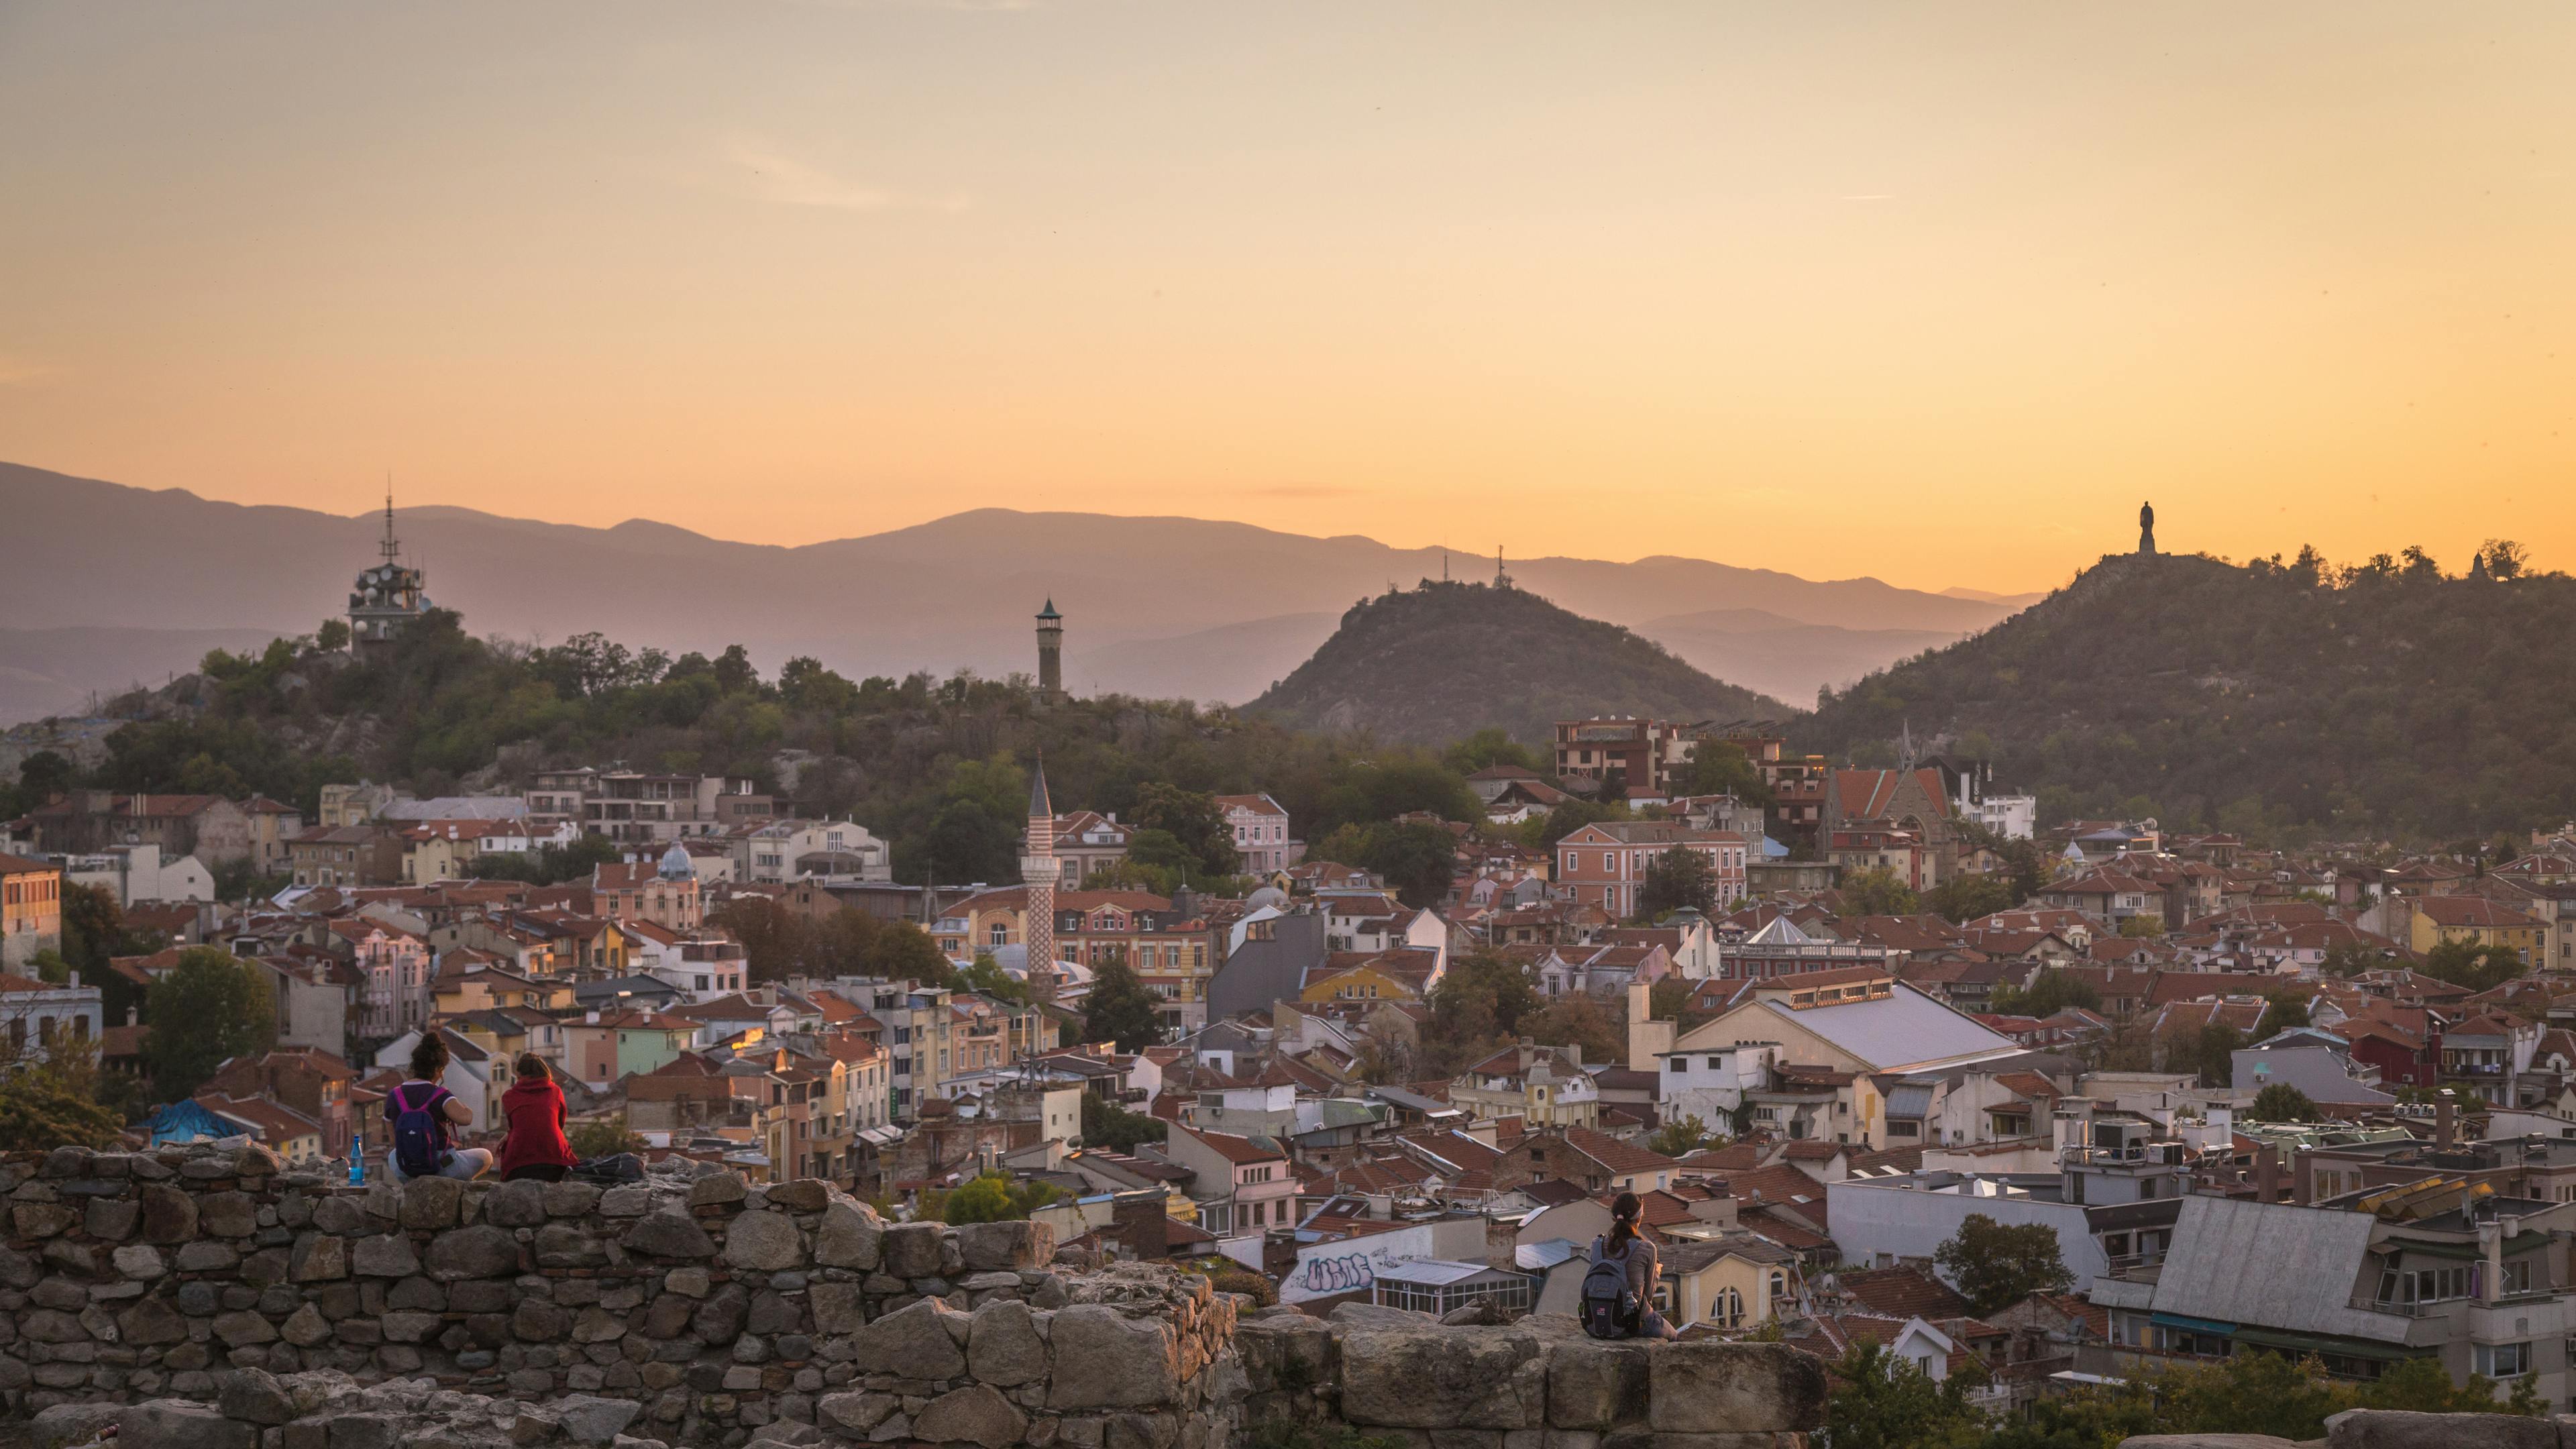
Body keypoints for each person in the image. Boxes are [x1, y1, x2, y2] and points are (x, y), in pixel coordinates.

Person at [386, 1034, 492, 1185]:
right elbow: (466, 1119)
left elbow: (393, 1141)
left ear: (415, 1066)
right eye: (442, 1070)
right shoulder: (440, 1095)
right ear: (437, 1069)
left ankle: (415, 1183)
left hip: (406, 1169)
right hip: (442, 1169)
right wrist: (465, 1108)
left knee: (392, 1155)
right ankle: (457, 1188)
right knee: (486, 1156)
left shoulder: (394, 1095)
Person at [1594, 1191, 1678, 1340]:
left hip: (1598, 1320)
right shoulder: (1647, 1248)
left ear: (1614, 1217)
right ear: (1639, 1218)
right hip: (1631, 1322)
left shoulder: (1597, 1244)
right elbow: (1648, 1296)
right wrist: (1657, 1271)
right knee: (1674, 1336)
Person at [498, 1052, 578, 1183]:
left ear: (519, 1074)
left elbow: (518, 1125)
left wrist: (509, 1134)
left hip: (520, 1163)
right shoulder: (555, 1092)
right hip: (555, 1160)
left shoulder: (509, 1096)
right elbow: (559, 1124)